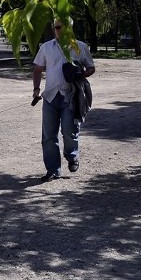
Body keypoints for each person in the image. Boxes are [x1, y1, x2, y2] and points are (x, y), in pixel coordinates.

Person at [32, 19, 96, 182]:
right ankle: (53, 170)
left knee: (69, 131)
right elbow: (38, 68)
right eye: (57, 27)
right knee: (48, 136)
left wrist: (80, 74)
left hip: (71, 96)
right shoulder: (46, 47)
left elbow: (91, 68)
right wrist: (36, 90)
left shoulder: (80, 47)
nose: (59, 30)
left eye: (62, 27)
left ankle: (72, 156)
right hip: (50, 97)